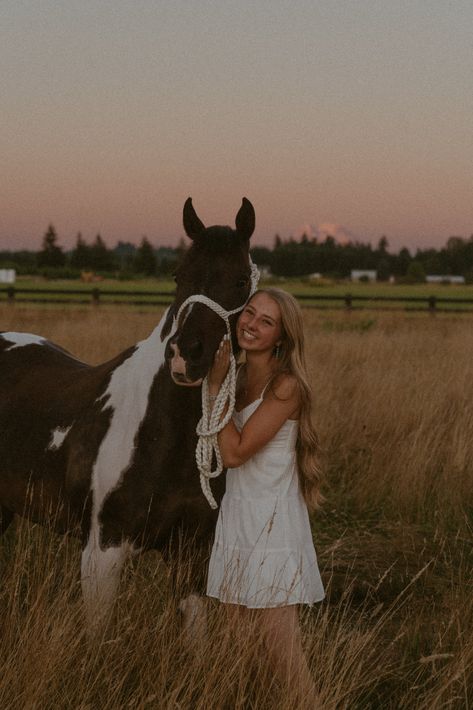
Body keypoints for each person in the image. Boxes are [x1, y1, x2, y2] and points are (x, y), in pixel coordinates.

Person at [206, 287, 325, 705]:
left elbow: (236, 452)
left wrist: (214, 389)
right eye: (250, 313)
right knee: (241, 658)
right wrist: (220, 384)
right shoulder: (235, 376)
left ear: (282, 338)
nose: (251, 325)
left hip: (272, 530)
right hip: (236, 522)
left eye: (266, 321)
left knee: (285, 662)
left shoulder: (286, 386)